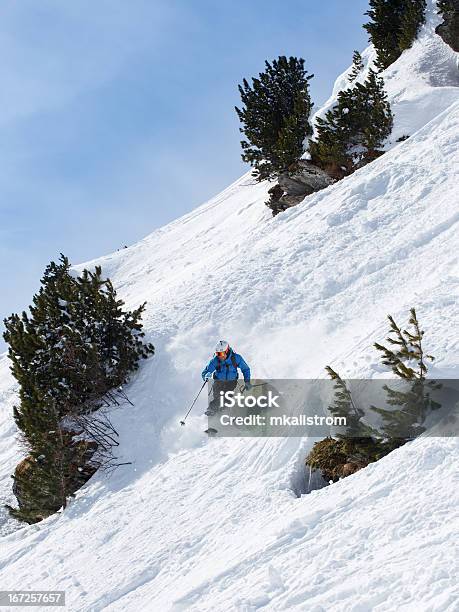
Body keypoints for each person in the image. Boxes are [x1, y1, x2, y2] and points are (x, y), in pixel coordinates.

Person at [202, 340, 251, 415]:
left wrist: (247, 381)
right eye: (218, 353)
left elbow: (245, 369)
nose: (220, 356)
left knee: (227, 397)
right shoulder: (215, 360)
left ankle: (224, 412)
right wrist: (206, 375)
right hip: (218, 381)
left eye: (221, 353)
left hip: (231, 382)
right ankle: (211, 410)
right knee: (218, 397)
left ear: (227, 351)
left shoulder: (236, 358)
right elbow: (205, 371)